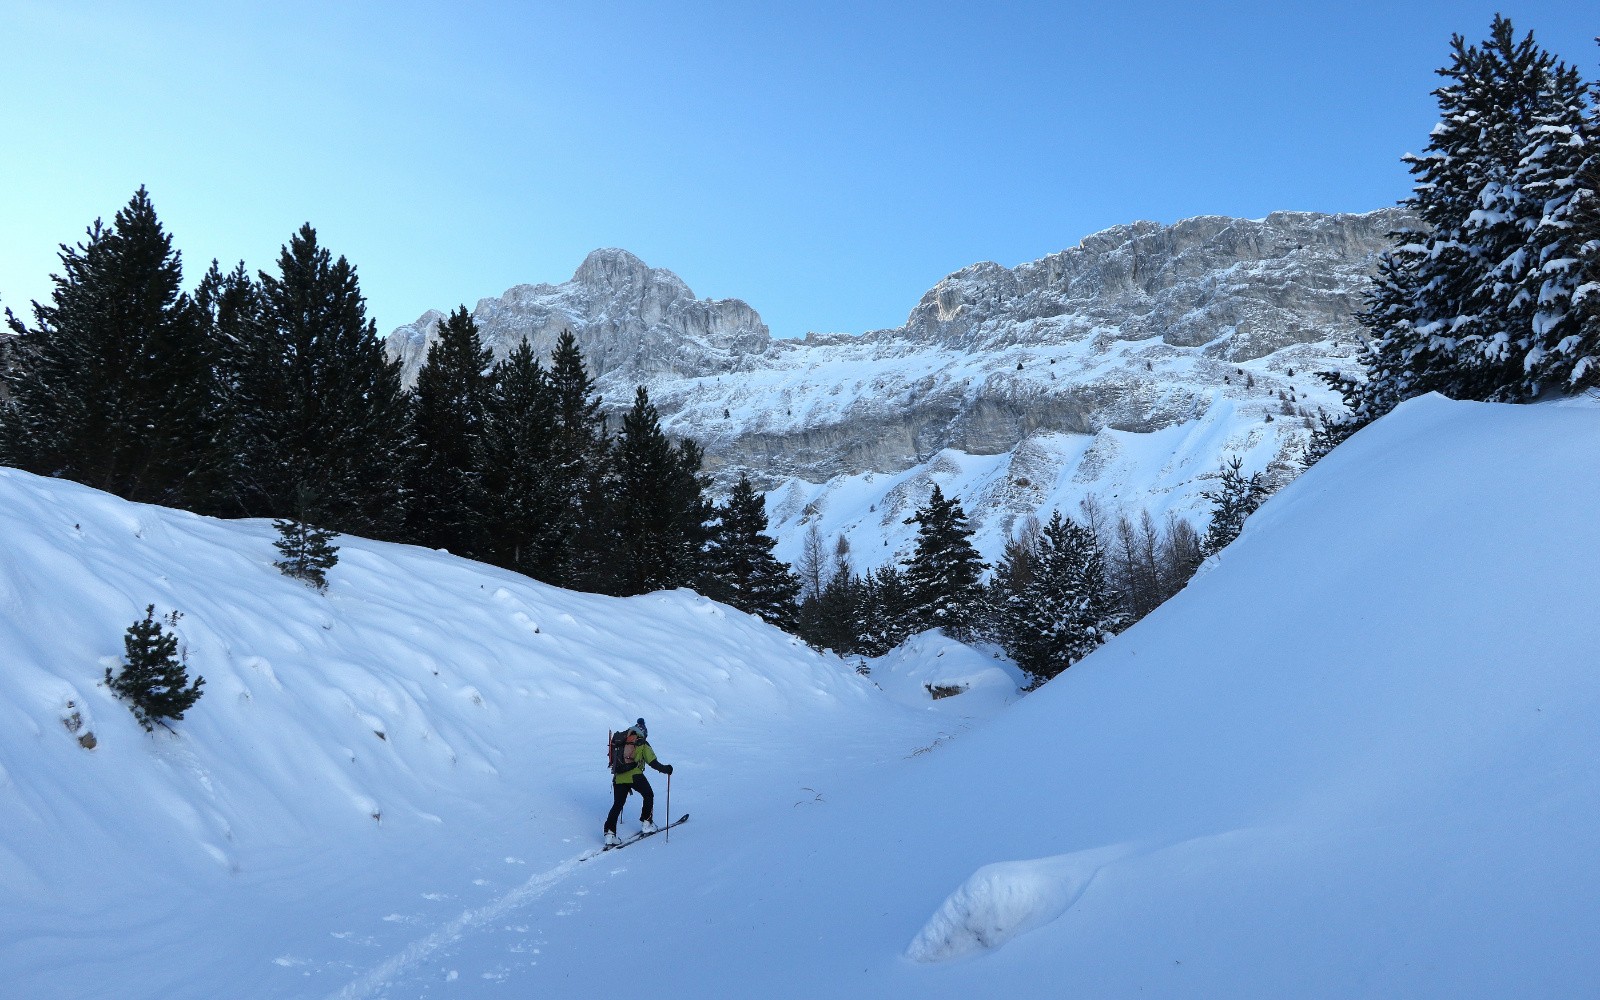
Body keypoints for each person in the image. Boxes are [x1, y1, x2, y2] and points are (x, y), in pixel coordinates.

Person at [604, 718, 673, 847]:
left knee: (617, 804)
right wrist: (667, 769)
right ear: (644, 733)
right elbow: (653, 762)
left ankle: (609, 834)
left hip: (618, 777)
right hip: (634, 775)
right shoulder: (642, 742)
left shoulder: (622, 740)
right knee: (648, 794)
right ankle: (647, 823)